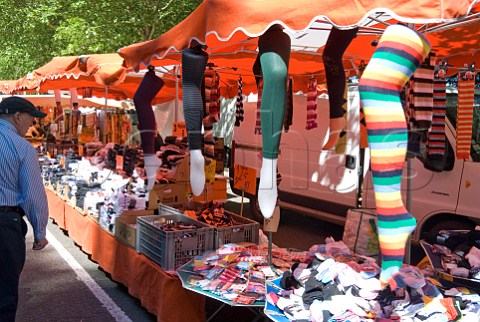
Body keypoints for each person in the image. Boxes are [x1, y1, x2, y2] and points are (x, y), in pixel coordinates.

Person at [0, 96, 50, 322]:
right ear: (17, 116)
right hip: (4, 226)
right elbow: (33, 195)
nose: (32, 125)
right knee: (4, 296)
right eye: (30, 120)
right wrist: (39, 232)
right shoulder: (22, 147)